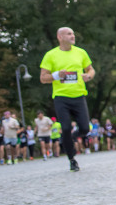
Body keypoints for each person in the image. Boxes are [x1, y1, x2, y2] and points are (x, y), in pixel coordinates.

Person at [39, 27, 96, 172]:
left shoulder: (80, 52)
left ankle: (71, 138)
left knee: (85, 128)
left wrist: (88, 76)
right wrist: (56, 75)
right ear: (60, 37)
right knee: (65, 128)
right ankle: (72, 159)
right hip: (61, 97)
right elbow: (43, 78)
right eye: (69, 34)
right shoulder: (50, 55)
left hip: (79, 96)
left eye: (73, 33)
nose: (73, 36)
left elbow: (91, 69)